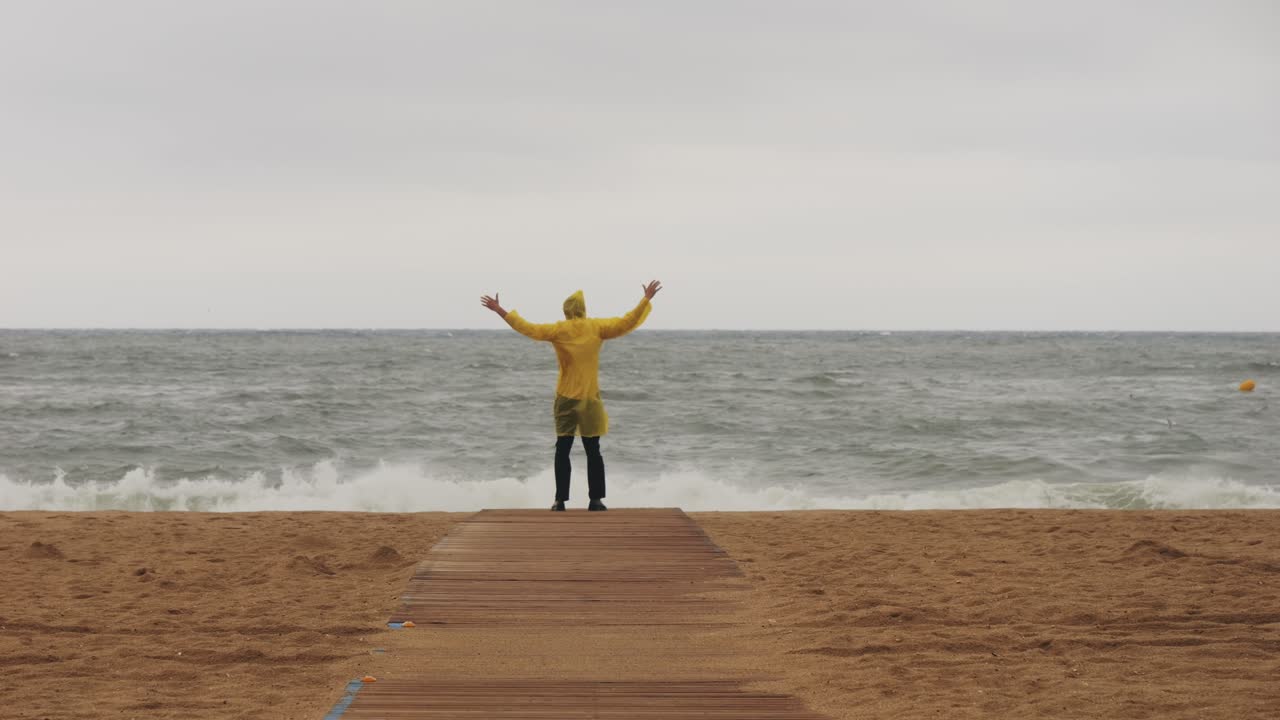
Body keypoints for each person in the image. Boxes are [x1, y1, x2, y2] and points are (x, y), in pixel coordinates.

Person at [481, 281, 662, 511]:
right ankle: (596, 501)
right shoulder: (596, 327)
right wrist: (645, 299)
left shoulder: (559, 330)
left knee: (562, 448)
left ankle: (559, 501)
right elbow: (627, 321)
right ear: (584, 309)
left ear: (566, 311)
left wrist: (500, 311)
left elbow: (529, 328)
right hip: (590, 398)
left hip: (565, 397)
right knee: (593, 449)